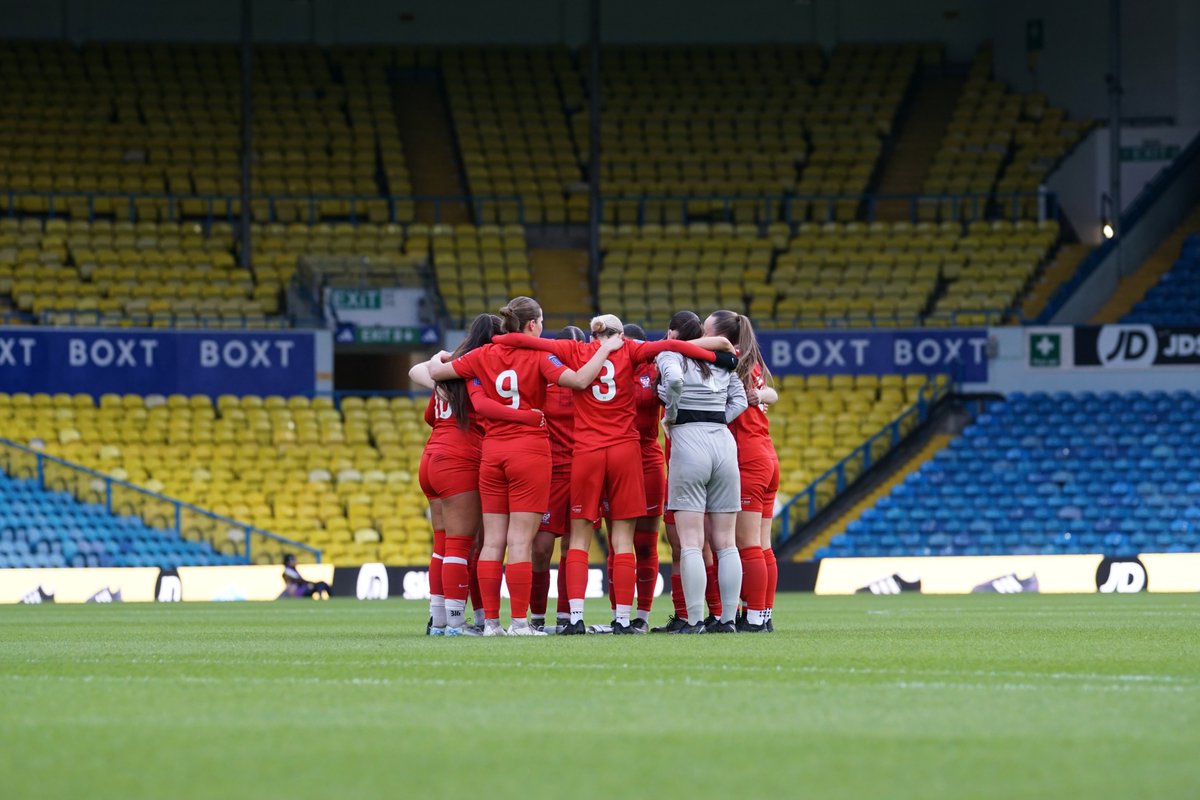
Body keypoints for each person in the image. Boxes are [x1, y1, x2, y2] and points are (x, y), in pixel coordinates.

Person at [494, 314, 736, 634]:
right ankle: (623, 619)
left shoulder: (576, 350)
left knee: (578, 539)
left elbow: (524, 340)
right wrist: (719, 349)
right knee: (624, 540)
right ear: (620, 335)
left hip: (587, 452)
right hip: (626, 451)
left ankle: (575, 618)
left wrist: (497, 340)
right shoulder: (633, 349)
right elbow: (676, 345)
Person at [427, 297, 618, 635]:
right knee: (519, 541)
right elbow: (578, 381)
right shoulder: (538, 355)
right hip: (529, 451)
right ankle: (519, 623)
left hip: (492, 453)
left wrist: (442, 356)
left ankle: (491, 625)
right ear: (532, 326)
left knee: (491, 543)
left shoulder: (481, 355)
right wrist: (605, 350)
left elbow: (436, 372)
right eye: (541, 322)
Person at [409, 313, 546, 635]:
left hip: (431, 458)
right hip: (460, 460)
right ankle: (455, 622)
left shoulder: (451, 372)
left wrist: (438, 370)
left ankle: (439, 619)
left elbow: (422, 389)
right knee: (460, 544)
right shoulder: (484, 369)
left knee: (442, 544)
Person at [656, 325, 748, 633]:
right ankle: (727, 620)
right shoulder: (720, 360)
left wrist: (670, 416)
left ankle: (694, 620)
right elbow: (742, 401)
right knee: (726, 543)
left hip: (688, 441)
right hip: (723, 443)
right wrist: (718, 418)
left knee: (692, 543)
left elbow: (673, 381)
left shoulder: (670, 354)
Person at [707, 309, 781, 633]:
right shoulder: (751, 361)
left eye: (707, 328)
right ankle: (762, 615)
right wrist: (762, 395)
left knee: (745, 543)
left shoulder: (729, 362)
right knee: (762, 544)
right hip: (766, 454)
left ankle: (752, 618)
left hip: (748, 456)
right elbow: (772, 393)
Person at [529, 325, 588, 633]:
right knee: (540, 548)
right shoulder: (544, 380)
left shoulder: (591, 382)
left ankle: (567, 617)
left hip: (583, 469)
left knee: (573, 547)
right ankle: (537, 617)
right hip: (550, 471)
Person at [623, 322, 666, 632]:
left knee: (646, 543)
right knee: (619, 542)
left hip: (649, 457)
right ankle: (619, 615)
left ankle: (643, 616)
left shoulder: (658, 370)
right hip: (619, 457)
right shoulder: (610, 368)